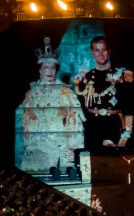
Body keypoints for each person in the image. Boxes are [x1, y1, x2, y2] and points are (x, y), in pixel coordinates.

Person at [16, 36, 85, 172]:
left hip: (59, 148)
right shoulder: (30, 94)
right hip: (35, 149)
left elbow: (75, 122)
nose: (49, 71)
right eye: (46, 67)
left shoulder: (66, 93)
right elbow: (22, 123)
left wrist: (74, 148)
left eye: (52, 68)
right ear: (40, 70)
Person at [76, 35, 134, 150]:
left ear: (109, 51)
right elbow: (82, 108)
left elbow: (129, 106)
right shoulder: (86, 77)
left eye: (103, 50)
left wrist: (127, 131)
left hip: (113, 126)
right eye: (97, 50)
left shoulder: (121, 75)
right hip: (92, 127)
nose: (101, 54)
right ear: (92, 52)